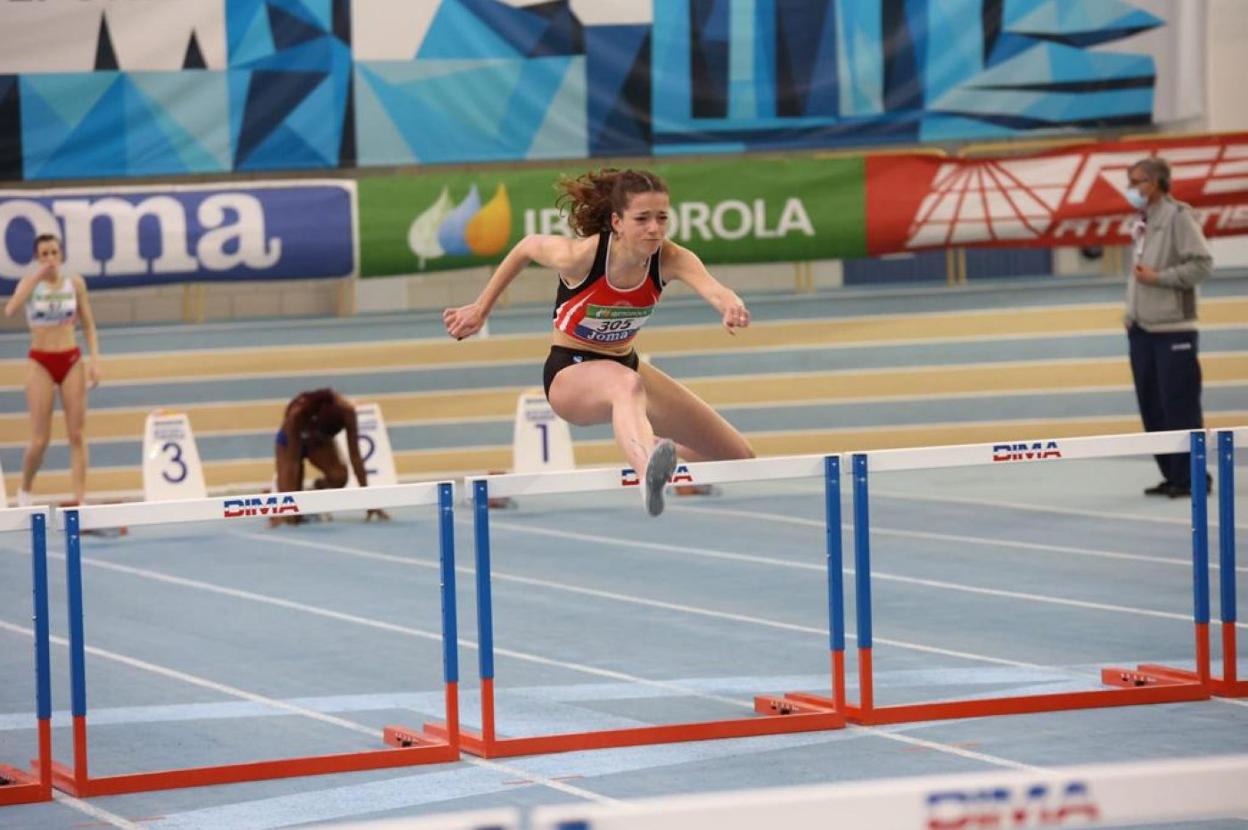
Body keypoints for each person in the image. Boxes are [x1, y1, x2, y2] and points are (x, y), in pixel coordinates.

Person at [443, 168, 755, 516]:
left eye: (662, 218)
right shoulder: (582, 257)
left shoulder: (671, 258)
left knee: (739, 457)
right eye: (642, 219)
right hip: (570, 373)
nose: (654, 228)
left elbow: (714, 288)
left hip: (625, 362)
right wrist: (481, 308)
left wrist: (730, 304)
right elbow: (527, 247)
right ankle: (646, 472)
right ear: (617, 222)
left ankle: (648, 441)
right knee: (627, 385)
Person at [1123, 156, 1213, 498]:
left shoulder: (1179, 216)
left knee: (1180, 406)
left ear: (1158, 182)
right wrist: (1130, 314)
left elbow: (1202, 264)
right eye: (1130, 181)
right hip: (1142, 328)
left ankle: (1193, 476)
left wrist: (1159, 279)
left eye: (1137, 181)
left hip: (1173, 328)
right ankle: (1173, 474)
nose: (1131, 189)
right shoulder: (1143, 221)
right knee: (1153, 406)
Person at [3, 233, 100, 506]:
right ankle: (24, 490)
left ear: (61, 255)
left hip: (70, 360)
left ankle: (80, 499)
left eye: (53, 253)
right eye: (43, 254)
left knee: (77, 434)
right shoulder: (29, 284)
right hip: (41, 362)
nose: (49, 259)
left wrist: (95, 360)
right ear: (36, 258)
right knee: (39, 438)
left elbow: (89, 325)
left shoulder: (75, 283)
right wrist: (35, 277)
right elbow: (10, 309)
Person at [272, 388, 389, 525]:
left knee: (339, 476)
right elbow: (292, 463)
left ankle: (314, 492)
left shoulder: (348, 412)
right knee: (291, 517)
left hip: (317, 444)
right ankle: (274, 493)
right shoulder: (297, 414)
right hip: (289, 440)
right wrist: (285, 500)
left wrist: (369, 501)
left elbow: (355, 456)